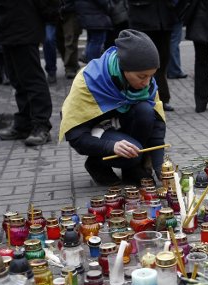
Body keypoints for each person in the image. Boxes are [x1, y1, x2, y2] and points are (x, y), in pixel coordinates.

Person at [60, 30, 166, 186]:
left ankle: (132, 169)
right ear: (124, 68)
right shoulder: (89, 81)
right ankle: (96, 164)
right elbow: (75, 136)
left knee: (145, 111)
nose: (147, 82)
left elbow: (157, 127)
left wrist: (160, 168)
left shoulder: (147, 84)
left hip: (118, 125)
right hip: (95, 132)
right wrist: (111, 146)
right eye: (142, 76)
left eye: (151, 75)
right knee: (134, 151)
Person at [0, 0, 55, 146]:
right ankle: (24, 124)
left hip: (24, 26)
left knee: (32, 80)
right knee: (17, 79)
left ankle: (41, 126)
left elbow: (50, 6)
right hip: (5, 28)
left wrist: (50, 15)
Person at [128, 1, 177, 112]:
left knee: (162, 63)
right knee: (142, 64)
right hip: (143, 19)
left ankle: (161, 98)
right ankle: (143, 98)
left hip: (164, 20)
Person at [57, 0, 82, 79]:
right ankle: (71, 63)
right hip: (56, 9)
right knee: (59, 40)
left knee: (70, 39)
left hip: (71, 10)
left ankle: (70, 67)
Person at [167, 15, 187, 79]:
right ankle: (174, 70)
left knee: (170, 41)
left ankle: (170, 69)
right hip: (175, 15)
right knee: (174, 41)